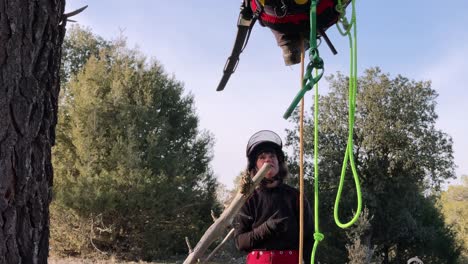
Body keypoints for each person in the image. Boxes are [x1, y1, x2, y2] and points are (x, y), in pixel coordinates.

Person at [233, 130, 314, 264]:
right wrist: (267, 228)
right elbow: (240, 242)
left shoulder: (295, 197)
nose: (268, 159)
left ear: (279, 162)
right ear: (255, 166)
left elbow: (309, 237)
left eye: (272, 156)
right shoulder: (248, 199)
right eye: (262, 157)